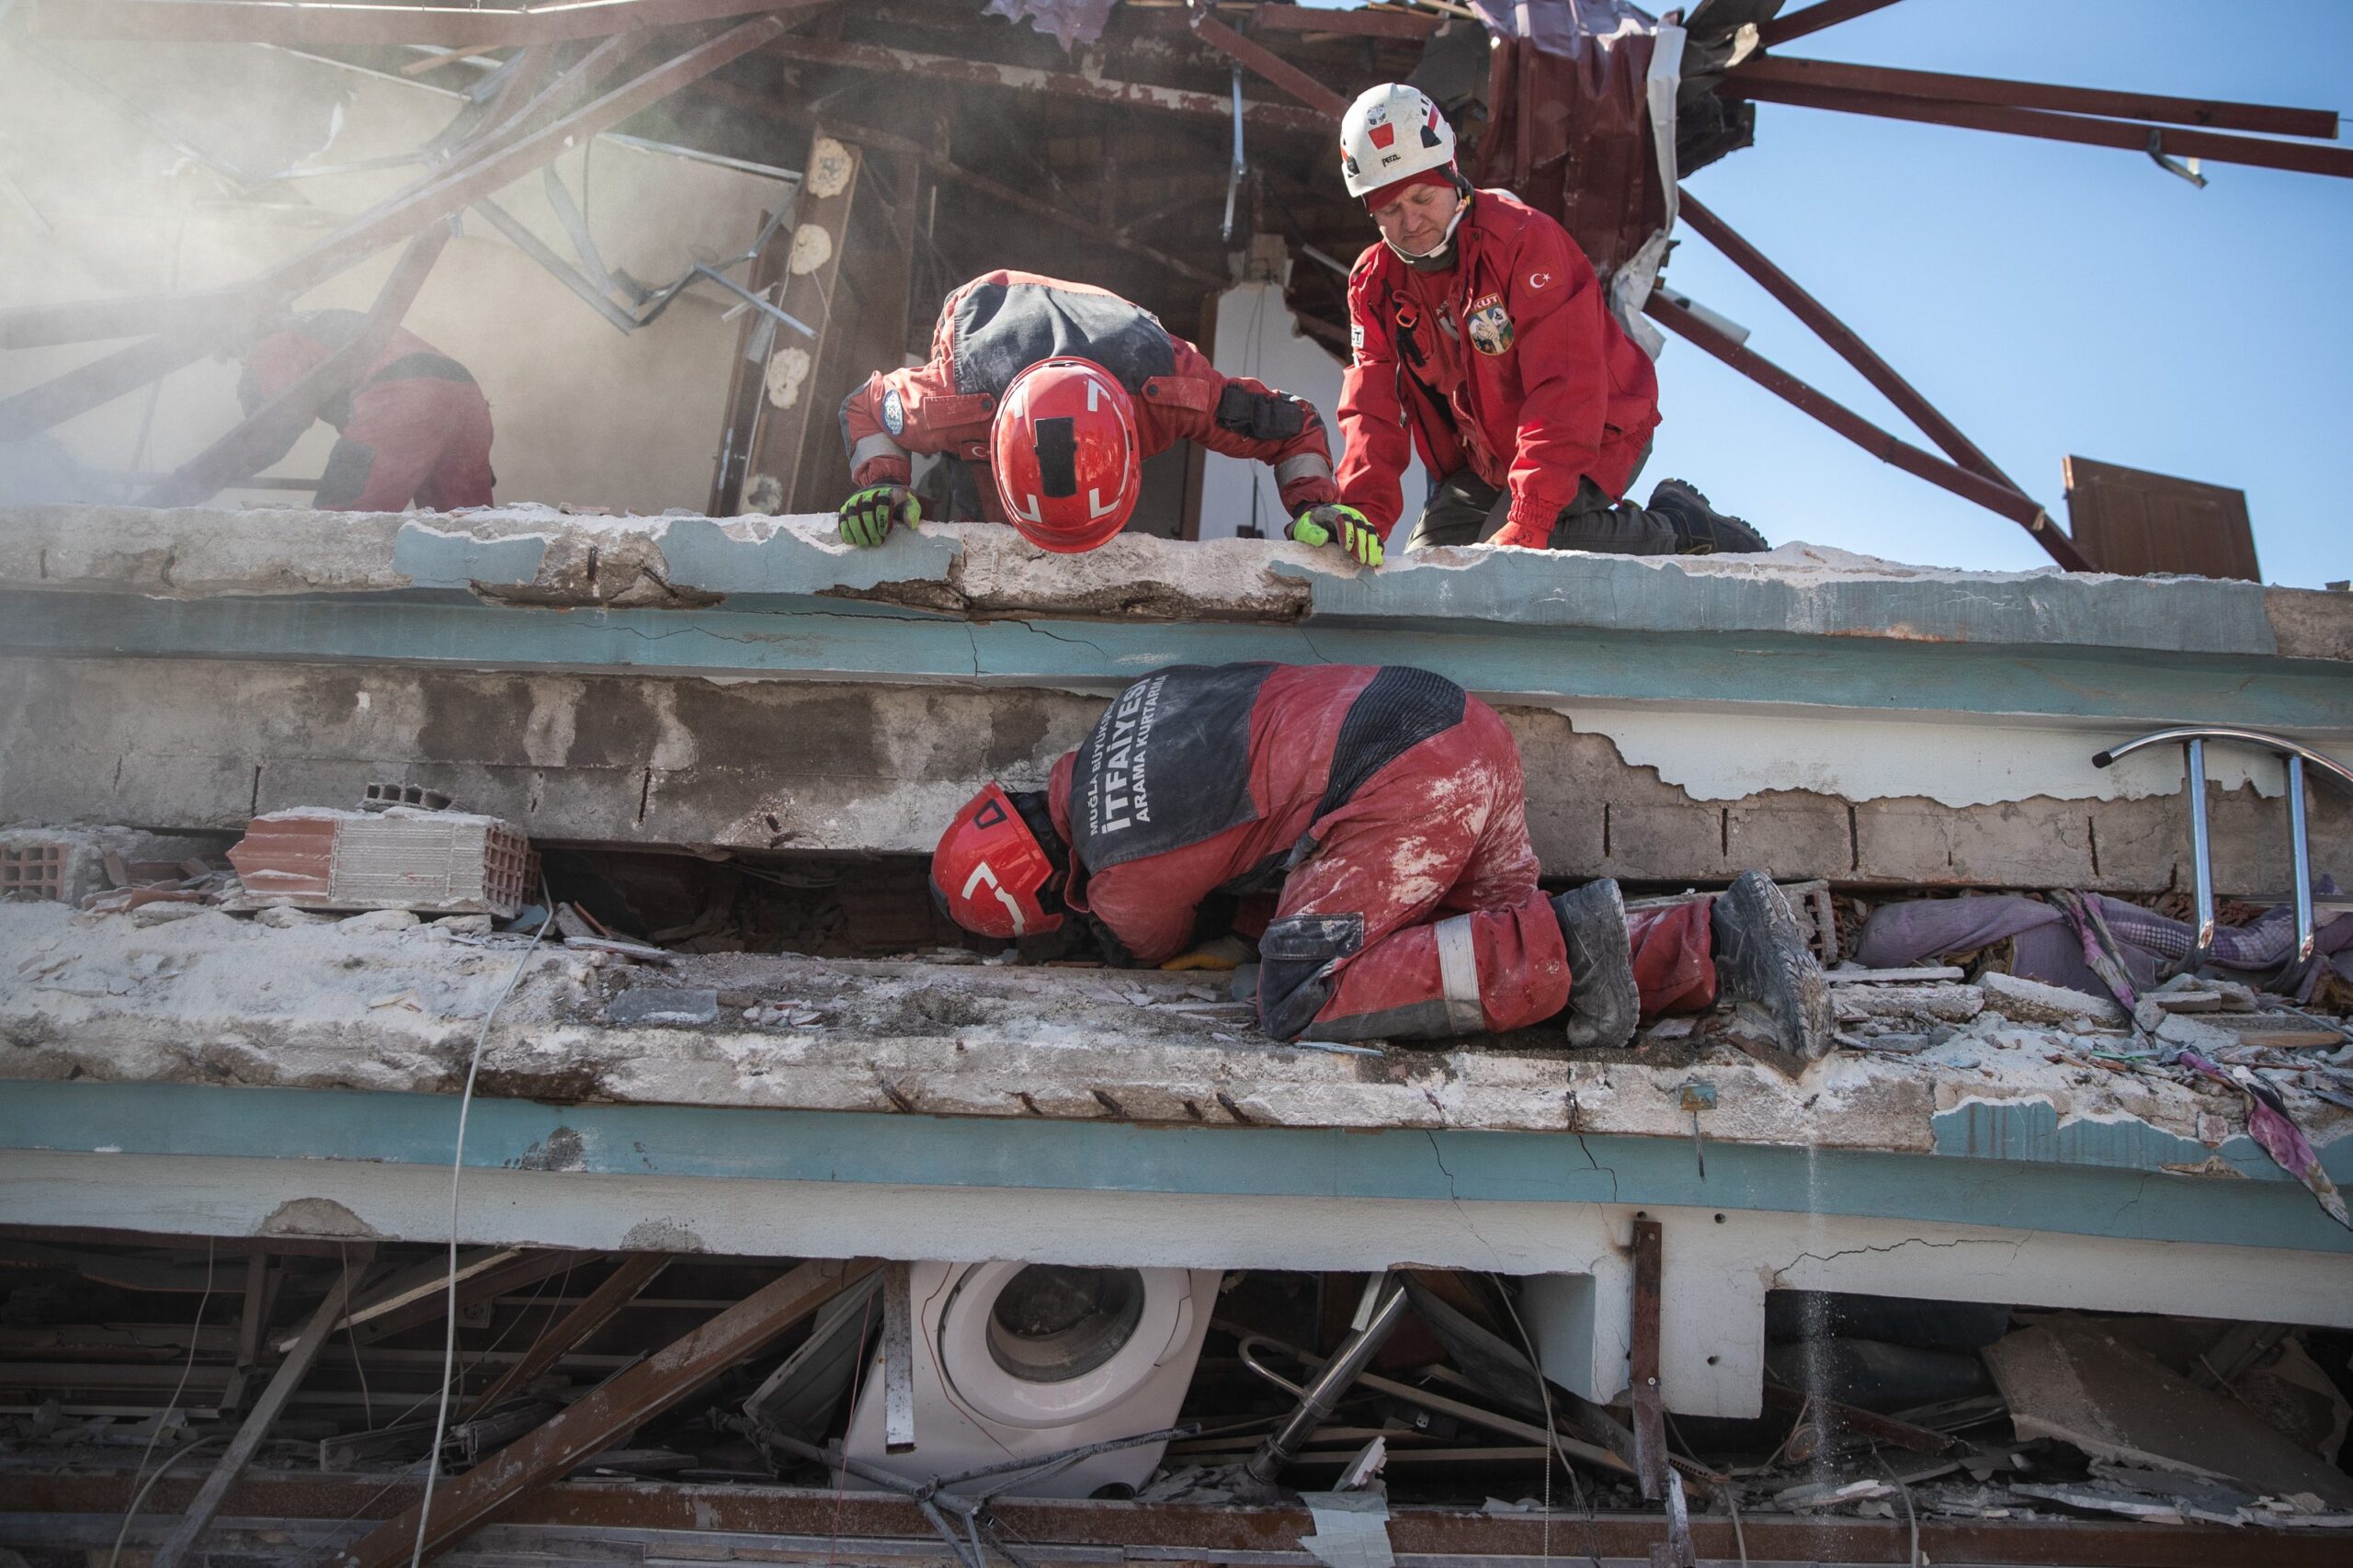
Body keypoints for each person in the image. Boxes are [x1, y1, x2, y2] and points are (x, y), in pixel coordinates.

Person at [927, 661, 1830, 1056]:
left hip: (1399, 785)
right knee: (1506, 968)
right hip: (1455, 727)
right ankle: (1724, 941)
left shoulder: (1120, 877)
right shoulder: (1136, 703)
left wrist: (1105, 935)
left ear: (1044, 899)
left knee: (1300, 993)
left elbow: (1152, 946)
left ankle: (1578, 936)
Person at [1333, 83, 1765, 559]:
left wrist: (1530, 515)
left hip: (1600, 426)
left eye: (1421, 198)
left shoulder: (1523, 241)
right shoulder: (1373, 285)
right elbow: (1370, 409)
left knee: (1511, 558)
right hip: (1492, 461)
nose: (1411, 222)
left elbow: (1566, 384)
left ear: (1451, 174)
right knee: (1428, 567)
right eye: (1390, 209)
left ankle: (1680, 527)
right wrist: (1361, 514)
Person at [835, 269, 1372, 560]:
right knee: (980, 544)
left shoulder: (1172, 390)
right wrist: (884, 485)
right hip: (988, 315)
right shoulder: (951, 400)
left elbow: (1294, 424)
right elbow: (864, 406)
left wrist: (1315, 505)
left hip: (1119, 331)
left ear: (1133, 447)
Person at [237, 310, 494, 512]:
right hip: (467, 395)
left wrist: (220, 476)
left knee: (339, 525)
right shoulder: (320, 323)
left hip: (401, 396)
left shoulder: (274, 343)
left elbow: (272, 427)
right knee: (466, 528)